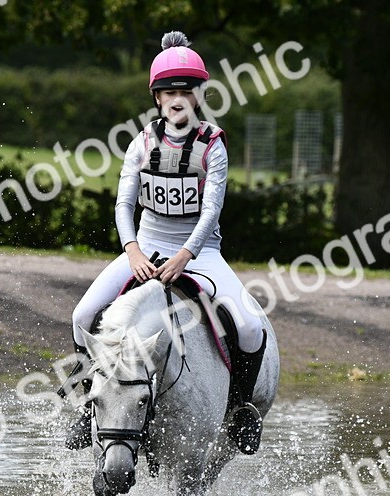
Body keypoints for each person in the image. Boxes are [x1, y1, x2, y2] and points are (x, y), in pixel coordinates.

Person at [65, 31, 268, 455]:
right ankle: (90, 404)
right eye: (169, 92)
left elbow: (211, 210)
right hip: (147, 245)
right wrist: (133, 250)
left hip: (200, 252)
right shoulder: (140, 143)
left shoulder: (212, 145)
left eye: (186, 92)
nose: (178, 99)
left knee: (249, 326)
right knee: (82, 313)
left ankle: (240, 409)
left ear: (199, 96)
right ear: (157, 98)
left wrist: (186, 255)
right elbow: (123, 204)